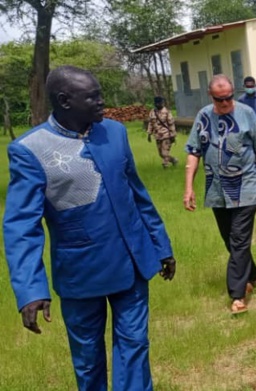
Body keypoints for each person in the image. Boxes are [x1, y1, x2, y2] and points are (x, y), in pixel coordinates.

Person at [3, 65, 176, 390]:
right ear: (65, 101)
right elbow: (21, 227)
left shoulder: (115, 132)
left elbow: (138, 195)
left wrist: (161, 245)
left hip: (132, 265)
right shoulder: (30, 150)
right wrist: (30, 290)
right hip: (81, 275)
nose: (102, 102)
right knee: (88, 361)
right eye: (93, 96)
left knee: (135, 348)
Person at [184, 74, 256, 314]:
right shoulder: (203, 117)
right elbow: (194, 152)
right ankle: (253, 274)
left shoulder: (246, 113)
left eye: (228, 98)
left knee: (239, 238)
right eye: (219, 99)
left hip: (247, 186)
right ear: (211, 96)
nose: (225, 103)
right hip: (217, 189)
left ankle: (237, 295)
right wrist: (189, 187)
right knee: (230, 239)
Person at [147, 96, 178, 168]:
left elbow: (171, 124)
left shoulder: (166, 112)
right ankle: (173, 160)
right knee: (161, 154)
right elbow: (151, 123)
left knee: (165, 152)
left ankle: (165, 165)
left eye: (160, 103)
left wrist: (173, 135)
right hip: (157, 135)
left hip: (166, 135)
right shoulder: (152, 112)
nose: (159, 105)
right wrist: (149, 134)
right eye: (157, 103)